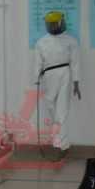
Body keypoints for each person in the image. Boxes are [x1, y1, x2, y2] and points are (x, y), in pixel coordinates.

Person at [33, 11, 81, 158]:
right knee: (51, 108)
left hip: (65, 73)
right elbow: (38, 62)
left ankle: (62, 146)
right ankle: (58, 142)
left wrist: (76, 82)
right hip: (48, 75)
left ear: (61, 22)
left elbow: (75, 62)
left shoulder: (71, 41)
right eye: (50, 24)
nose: (52, 26)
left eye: (55, 23)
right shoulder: (41, 42)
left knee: (62, 111)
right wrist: (36, 78)